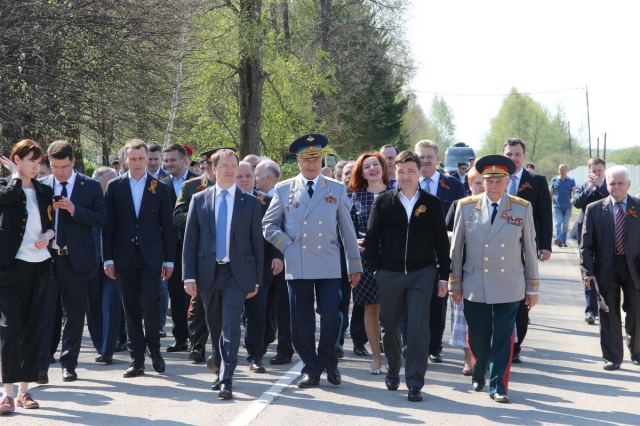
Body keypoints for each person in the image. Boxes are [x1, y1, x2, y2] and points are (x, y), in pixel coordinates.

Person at [263, 133, 362, 388]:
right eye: (306, 159)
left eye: (316, 158)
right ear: (297, 160)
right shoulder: (284, 189)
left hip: (328, 261)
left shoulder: (336, 188)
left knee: (331, 315)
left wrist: (354, 264)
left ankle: (329, 359)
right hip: (299, 263)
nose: (311, 164)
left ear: (321, 159)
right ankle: (311, 368)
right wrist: (287, 246)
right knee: (301, 320)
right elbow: (269, 225)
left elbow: (347, 230)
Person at [449, 155, 539, 404]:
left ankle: (498, 385)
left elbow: (529, 250)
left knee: (503, 336)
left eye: (498, 181)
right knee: (477, 334)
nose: (493, 186)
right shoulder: (466, 206)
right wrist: (455, 283)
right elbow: (456, 249)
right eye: (488, 181)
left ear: (507, 181)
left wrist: (532, 287)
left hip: (509, 283)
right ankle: (479, 368)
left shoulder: (522, 207)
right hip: (475, 282)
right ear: (482, 182)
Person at [364, 150, 450, 402]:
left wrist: (443, 276)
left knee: (418, 328)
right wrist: (376, 269)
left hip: (422, 272)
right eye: (401, 171)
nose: (406, 176)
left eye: (411, 171)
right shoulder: (384, 202)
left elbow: (441, 245)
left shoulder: (432, 204)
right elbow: (371, 239)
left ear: (419, 172)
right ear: (395, 174)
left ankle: (415, 382)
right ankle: (393, 368)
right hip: (389, 273)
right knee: (389, 325)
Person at [182, 149, 264, 399]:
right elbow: (190, 240)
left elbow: (257, 245)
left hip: (237, 273)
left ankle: (227, 377)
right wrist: (189, 276)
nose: (230, 170)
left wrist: (257, 279)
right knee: (214, 325)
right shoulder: (200, 199)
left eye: (233, 165)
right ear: (212, 169)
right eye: (224, 165)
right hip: (208, 272)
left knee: (230, 325)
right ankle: (219, 368)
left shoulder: (249, 202)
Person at [103, 139, 177, 378]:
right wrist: (108, 259)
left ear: (148, 159)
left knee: (151, 304)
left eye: (141, 158)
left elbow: (168, 227)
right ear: (125, 160)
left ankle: (155, 352)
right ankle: (136, 360)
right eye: (132, 158)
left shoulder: (161, 186)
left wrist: (169, 260)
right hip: (124, 257)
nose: (137, 163)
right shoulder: (115, 187)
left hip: (151, 256)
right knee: (131, 308)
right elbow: (108, 226)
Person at [38, 140, 108, 383]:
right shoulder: (42, 185)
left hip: (77, 260)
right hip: (47, 258)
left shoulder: (89, 186)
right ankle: (42, 364)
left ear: (73, 162)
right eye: (55, 167)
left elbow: (102, 218)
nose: (60, 172)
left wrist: (74, 209)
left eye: (64, 166)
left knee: (75, 315)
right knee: (46, 313)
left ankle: (69, 364)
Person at [0, 140, 55, 413]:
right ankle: (6, 394)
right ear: (16, 160)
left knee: (33, 328)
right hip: (10, 268)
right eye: (31, 160)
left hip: (40, 266)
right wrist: (13, 176)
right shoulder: (6, 186)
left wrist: (49, 234)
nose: (36, 165)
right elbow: (8, 198)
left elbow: (50, 223)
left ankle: (24, 390)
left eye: (38, 160)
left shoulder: (45, 190)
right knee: (10, 329)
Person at [581, 165, 640, 371]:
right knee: (608, 311)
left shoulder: (638, 206)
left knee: (635, 309)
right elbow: (586, 244)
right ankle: (612, 357)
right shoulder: (595, 209)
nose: (616, 187)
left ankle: (637, 350)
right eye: (611, 183)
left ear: (629, 184)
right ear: (606, 185)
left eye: (620, 183)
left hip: (634, 267)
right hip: (605, 266)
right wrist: (587, 271)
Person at [415, 139, 465, 363]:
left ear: (437, 159)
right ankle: (413, 343)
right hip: (411, 252)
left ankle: (434, 345)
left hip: (440, 252)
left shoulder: (452, 185)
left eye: (429, 157)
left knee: (438, 300)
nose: (425, 161)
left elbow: (461, 218)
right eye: (421, 157)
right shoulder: (406, 180)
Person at [503, 138, 552, 363]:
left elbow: (544, 214)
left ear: (523, 156)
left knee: (523, 297)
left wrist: (545, 245)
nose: (513, 158)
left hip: (526, 248)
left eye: (517, 154)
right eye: (509, 154)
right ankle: (501, 340)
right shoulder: (495, 178)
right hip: (498, 248)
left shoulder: (537, 181)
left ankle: (516, 345)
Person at [236, 161, 284, 373]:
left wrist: (277, 255)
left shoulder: (267, 201)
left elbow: (277, 229)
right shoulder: (224, 201)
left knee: (257, 314)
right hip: (230, 267)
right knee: (229, 314)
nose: (244, 180)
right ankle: (223, 355)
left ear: (255, 178)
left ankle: (255, 357)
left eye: (248, 176)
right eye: (239, 176)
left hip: (260, 266)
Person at [349, 152, 391, 374]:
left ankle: (393, 353)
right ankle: (376, 357)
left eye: (376, 164)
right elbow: (348, 228)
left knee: (394, 309)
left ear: (383, 167)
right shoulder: (355, 197)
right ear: (362, 173)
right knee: (371, 307)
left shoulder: (397, 193)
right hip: (365, 258)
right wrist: (353, 240)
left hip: (393, 258)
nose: (372, 168)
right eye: (367, 166)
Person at [444, 161, 484, 376]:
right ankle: (468, 359)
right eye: (477, 183)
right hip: (464, 269)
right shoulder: (460, 205)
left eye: (485, 182)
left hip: (492, 272)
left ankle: (485, 358)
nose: (482, 187)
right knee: (464, 317)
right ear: (469, 185)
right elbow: (446, 232)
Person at [161, 144, 198, 354]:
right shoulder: (160, 184)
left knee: (196, 295)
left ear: (185, 160)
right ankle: (180, 337)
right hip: (172, 248)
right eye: (166, 161)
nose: (168, 165)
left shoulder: (200, 183)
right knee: (176, 294)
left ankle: (197, 338)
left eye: (172, 160)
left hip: (195, 246)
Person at [86, 167, 122, 366]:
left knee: (111, 305)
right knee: (93, 308)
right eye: (109, 184)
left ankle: (108, 350)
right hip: (89, 262)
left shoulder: (119, 203)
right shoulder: (86, 202)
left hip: (113, 262)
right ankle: (100, 346)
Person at [571, 157, 608, 324]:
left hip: (605, 234)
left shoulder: (609, 185)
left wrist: (600, 186)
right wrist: (591, 187)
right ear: (589, 172)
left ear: (604, 171)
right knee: (588, 271)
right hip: (586, 234)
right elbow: (577, 204)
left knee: (606, 271)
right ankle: (591, 310)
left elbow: (610, 200)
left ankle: (604, 307)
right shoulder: (582, 186)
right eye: (594, 171)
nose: (597, 174)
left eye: (600, 171)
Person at [549, 164, 576, 248]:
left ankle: (563, 241)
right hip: (556, 206)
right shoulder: (554, 180)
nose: (562, 171)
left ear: (567, 170)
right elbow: (550, 192)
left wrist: (575, 198)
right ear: (558, 170)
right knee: (558, 222)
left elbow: (574, 191)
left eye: (564, 170)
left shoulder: (571, 180)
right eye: (561, 170)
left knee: (565, 225)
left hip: (568, 206)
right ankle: (559, 240)